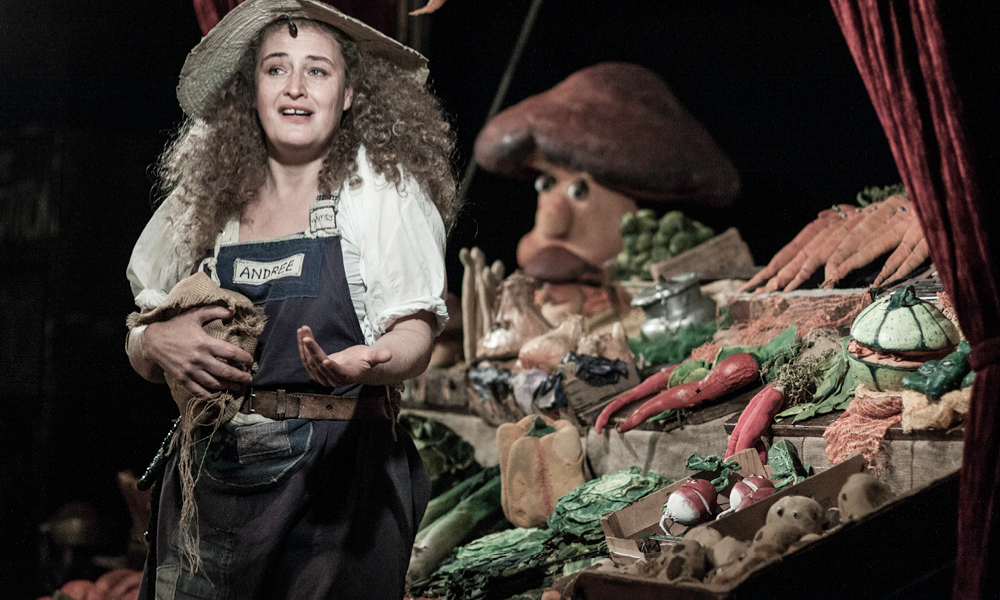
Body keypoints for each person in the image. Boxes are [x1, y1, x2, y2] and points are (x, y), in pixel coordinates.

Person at [124, 0, 457, 597]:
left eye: (317, 70)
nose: (295, 87)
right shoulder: (206, 201)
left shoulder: (379, 194)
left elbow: (416, 332)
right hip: (210, 483)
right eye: (276, 68)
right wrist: (153, 340)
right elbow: (140, 333)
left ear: (349, 93)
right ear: (251, 90)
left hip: (338, 490)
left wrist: (372, 361)